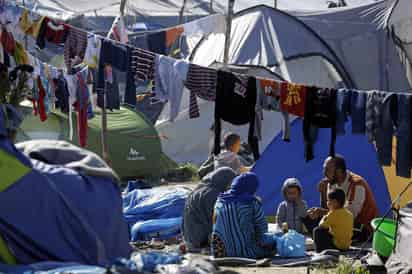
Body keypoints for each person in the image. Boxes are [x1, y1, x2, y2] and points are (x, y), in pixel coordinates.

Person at [307, 155, 378, 241]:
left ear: (339, 171)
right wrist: (322, 193)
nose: (324, 173)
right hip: (343, 221)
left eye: (327, 170)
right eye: (324, 169)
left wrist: (322, 212)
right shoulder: (332, 183)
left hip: (363, 227)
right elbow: (329, 208)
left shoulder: (357, 184)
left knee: (324, 230)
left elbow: (350, 215)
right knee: (314, 220)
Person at [211, 172, 276, 259]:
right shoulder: (251, 203)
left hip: (220, 253)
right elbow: (262, 230)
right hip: (246, 253)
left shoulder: (219, 201)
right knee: (274, 241)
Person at [182, 167, 237, 252]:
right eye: (231, 183)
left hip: (190, 239)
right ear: (224, 180)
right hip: (199, 241)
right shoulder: (212, 194)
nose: (231, 186)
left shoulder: (200, 189)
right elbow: (218, 222)